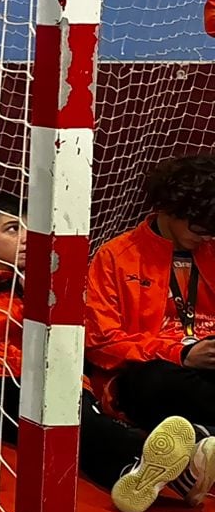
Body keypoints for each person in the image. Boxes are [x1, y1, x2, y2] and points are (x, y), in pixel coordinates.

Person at [0, 194, 213, 512]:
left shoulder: (51, 285)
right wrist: (28, 364)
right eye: (12, 229)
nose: (26, 238)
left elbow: (75, 347)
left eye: (31, 228)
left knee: (71, 423)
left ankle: (132, 472)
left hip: (59, 381)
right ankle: (169, 464)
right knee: (58, 415)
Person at [85, 154, 215, 434]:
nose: (207, 236)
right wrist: (181, 353)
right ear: (170, 208)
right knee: (154, 380)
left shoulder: (211, 249)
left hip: (206, 370)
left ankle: (200, 436)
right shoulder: (116, 256)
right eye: (200, 227)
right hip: (151, 371)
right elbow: (100, 345)